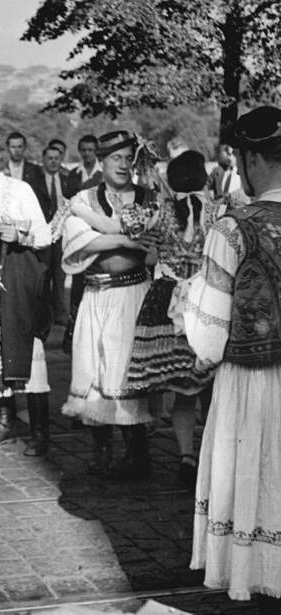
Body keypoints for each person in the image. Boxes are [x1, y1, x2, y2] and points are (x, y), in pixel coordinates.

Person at [184, 106, 281, 614]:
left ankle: (259, 579)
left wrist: (202, 360)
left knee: (256, 475)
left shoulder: (233, 226)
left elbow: (206, 327)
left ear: (249, 158)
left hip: (253, 381)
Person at [125, 151, 223, 488]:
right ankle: (209, 454)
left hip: (167, 298)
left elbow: (132, 226)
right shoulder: (217, 211)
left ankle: (186, 456)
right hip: (205, 299)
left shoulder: (161, 211)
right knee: (207, 384)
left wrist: (152, 248)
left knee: (182, 385)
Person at [60, 130, 154, 479]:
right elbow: (77, 239)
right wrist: (125, 240)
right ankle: (101, 451)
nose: (124, 165)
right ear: (101, 161)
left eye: (129, 158)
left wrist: (107, 237)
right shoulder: (84, 198)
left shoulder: (147, 197)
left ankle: (137, 454)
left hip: (132, 294)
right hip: (96, 294)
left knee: (126, 370)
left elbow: (151, 237)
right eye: (116, 158)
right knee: (93, 369)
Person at [0, 131, 53, 455]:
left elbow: (45, 234)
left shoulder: (19, 190)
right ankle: (4, 422)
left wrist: (18, 233)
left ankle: (41, 432)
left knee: (31, 356)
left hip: (20, 284)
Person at [42, 143, 81, 326]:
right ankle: (43, 313)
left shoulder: (68, 180)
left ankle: (59, 313)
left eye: (56, 158)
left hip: (62, 235)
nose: (53, 162)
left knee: (60, 276)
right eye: (49, 158)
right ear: (44, 160)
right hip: (43, 235)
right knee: (43, 275)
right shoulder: (36, 180)